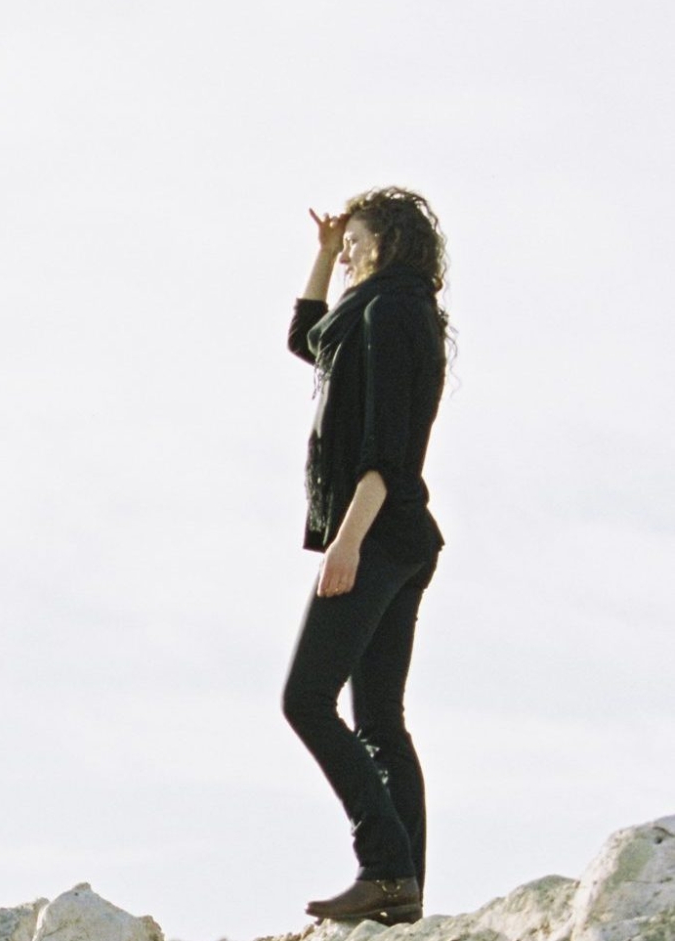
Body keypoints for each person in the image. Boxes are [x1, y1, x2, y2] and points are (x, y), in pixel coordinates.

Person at [280, 186, 452, 926]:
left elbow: (387, 447)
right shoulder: (387, 311)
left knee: (307, 700)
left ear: (382, 242)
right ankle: (402, 889)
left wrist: (346, 541)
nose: (345, 248)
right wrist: (320, 258)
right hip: (407, 536)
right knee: (378, 718)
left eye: (352, 239)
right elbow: (306, 339)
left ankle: (384, 866)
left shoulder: (388, 314)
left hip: (378, 533)